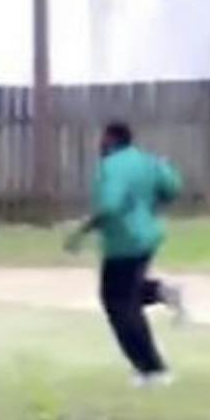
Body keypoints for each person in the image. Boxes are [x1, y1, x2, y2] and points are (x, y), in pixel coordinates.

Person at [65, 120, 188, 385]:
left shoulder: (110, 167)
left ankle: (152, 369)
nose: (99, 145)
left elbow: (110, 205)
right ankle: (158, 292)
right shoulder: (148, 161)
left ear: (111, 139)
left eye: (102, 139)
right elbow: (173, 186)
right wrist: (151, 205)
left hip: (123, 243)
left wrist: (83, 230)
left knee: (120, 306)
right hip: (148, 237)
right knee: (127, 293)